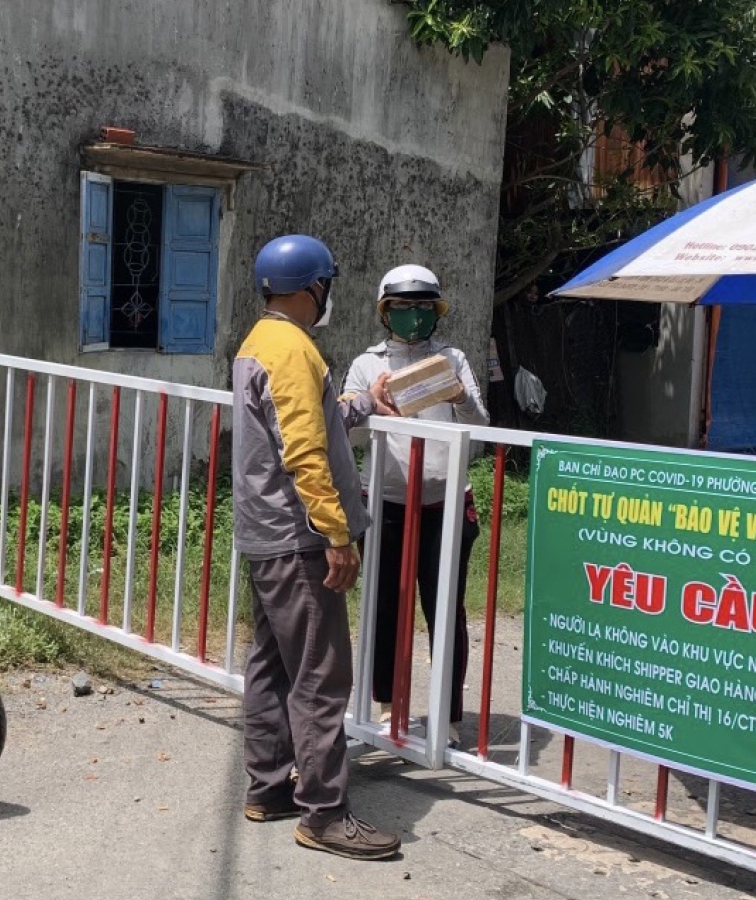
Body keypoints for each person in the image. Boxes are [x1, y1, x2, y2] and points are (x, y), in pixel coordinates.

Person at [232, 234, 402, 861]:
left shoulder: (261, 343)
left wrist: (362, 404)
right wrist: (335, 534)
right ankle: (325, 814)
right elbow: (303, 451)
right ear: (313, 289)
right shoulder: (293, 351)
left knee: (272, 665)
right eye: (327, 285)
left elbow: (314, 417)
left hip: (264, 534)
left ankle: (268, 787)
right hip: (297, 537)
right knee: (322, 677)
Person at [342, 264, 488, 748]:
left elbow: (481, 430)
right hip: (384, 502)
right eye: (403, 309)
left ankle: (446, 719)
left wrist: (460, 394)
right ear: (386, 313)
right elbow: (350, 432)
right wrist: (370, 404)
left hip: (444, 503)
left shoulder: (453, 358)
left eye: (423, 309)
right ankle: (387, 709)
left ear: (436, 312)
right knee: (384, 607)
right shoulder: (368, 364)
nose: (413, 318)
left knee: (445, 610)